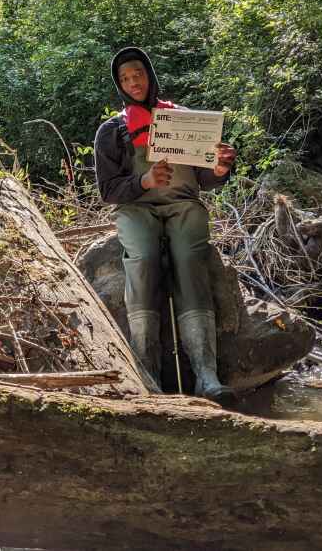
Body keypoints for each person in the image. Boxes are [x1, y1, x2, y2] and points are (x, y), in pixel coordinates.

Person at [93, 46, 237, 402]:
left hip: (184, 206)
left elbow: (206, 178)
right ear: (119, 85)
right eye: (125, 79)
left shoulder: (186, 121)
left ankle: (206, 375)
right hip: (136, 209)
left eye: (138, 74)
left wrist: (221, 167)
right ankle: (148, 376)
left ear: (150, 76)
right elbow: (108, 191)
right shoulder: (112, 131)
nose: (133, 82)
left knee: (189, 259)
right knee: (143, 259)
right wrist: (143, 181)